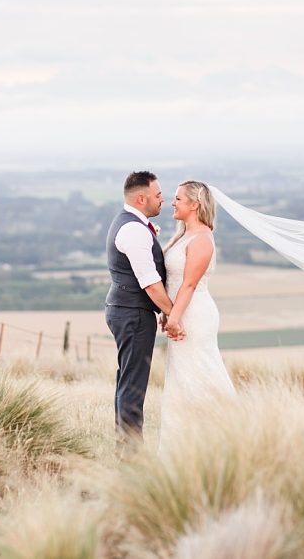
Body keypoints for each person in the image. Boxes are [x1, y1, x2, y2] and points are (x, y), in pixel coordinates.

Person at [157, 181, 236, 457]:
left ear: (195, 205)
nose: (172, 202)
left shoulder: (202, 238)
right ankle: (180, 446)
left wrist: (174, 319)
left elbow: (189, 284)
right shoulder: (183, 235)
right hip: (181, 311)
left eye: (178, 198)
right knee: (180, 377)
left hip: (195, 314)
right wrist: (169, 313)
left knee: (200, 371)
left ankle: (221, 436)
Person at [104, 171, 174, 457]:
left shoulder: (134, 225)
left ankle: (126, 448)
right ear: (141, 198)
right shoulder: (133, 230)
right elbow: (149, 282)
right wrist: (173, 313)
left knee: (128, 381)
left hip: (128, 311)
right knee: (133, 385)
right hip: (132, 314)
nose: (162, 200)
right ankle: (131, 455)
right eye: (158, 195)